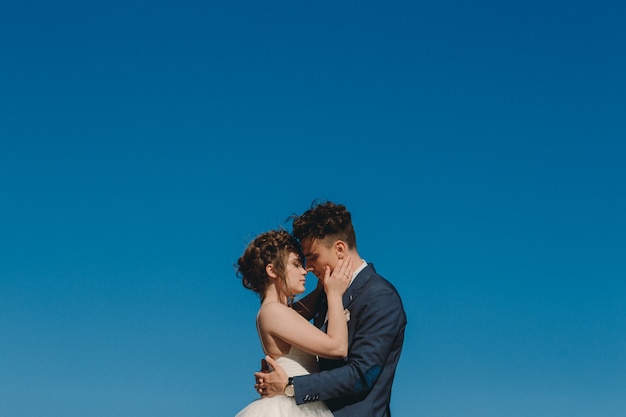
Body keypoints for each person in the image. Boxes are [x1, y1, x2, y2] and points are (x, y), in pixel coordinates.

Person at [255, 201, 407, 417]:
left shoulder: (380, 296)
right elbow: (286, 322)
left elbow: (362, 374)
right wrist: (278, 368)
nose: (307, 267)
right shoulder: (326, 295)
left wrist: (291, 386)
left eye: (313, 256)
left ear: (339, 249)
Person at [234, 229, 354, 417]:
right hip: (292, 407)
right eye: (296, 264)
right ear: (272, 270)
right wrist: (335, 294)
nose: (304, 270)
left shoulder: (280, 311)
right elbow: (337, 347)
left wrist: (323, 284)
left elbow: (307, 308)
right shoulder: (273, 311)